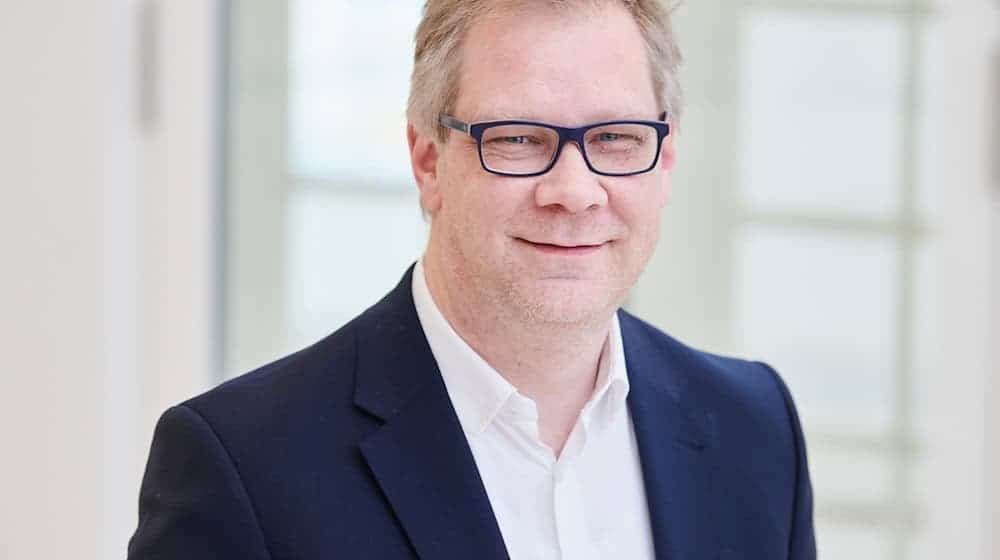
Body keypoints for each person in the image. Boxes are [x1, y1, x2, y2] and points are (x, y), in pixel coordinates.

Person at [128, 1, 816, 558]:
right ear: (428, 161)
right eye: (518, 138)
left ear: (664, 163)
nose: (574, 191)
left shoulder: (757, 432)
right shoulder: (244, 469)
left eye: (614, 138)